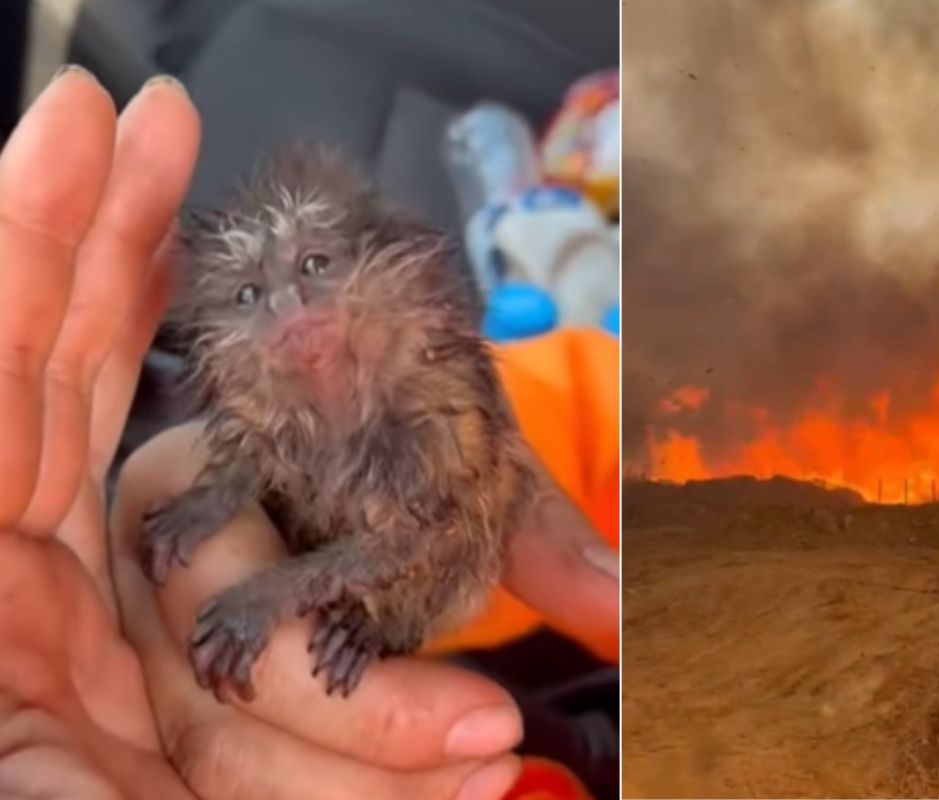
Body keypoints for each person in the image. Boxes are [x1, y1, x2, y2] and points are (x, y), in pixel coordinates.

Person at [0, 67, 618, 800]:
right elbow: (256, 456)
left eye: (315, 268)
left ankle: (364, 630)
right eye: (252, 295)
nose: (290, 306)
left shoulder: (427, 393)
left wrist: (266, 597)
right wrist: (206, 506)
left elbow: (412, 539)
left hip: (436, 612)